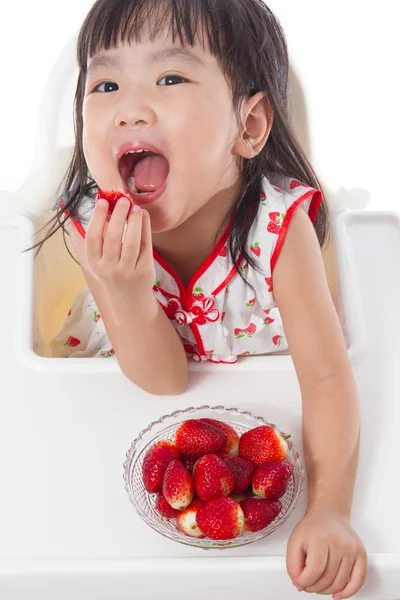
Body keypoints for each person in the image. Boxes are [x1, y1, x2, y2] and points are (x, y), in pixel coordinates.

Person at [25, 0, 367, 595]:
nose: (129, 110)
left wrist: (330, 509)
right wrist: (129, 296)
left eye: (170, 78)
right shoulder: (90, 229)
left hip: (266, 395)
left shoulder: (278, 229)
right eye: (105, 84)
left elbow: (328, 379)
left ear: (249, 127)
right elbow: (164, 382)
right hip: (139, 384)